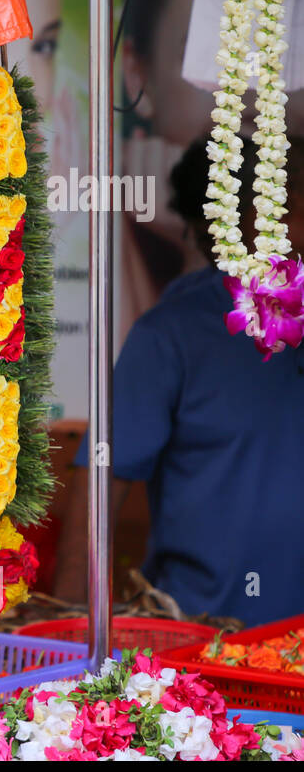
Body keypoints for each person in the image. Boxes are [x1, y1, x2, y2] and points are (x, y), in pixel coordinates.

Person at [56, 135, 304, 626]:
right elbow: (104, 478)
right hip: (207, 643)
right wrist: (65, 627)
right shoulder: (172, 333)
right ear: (258, 216)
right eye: (295, 200)